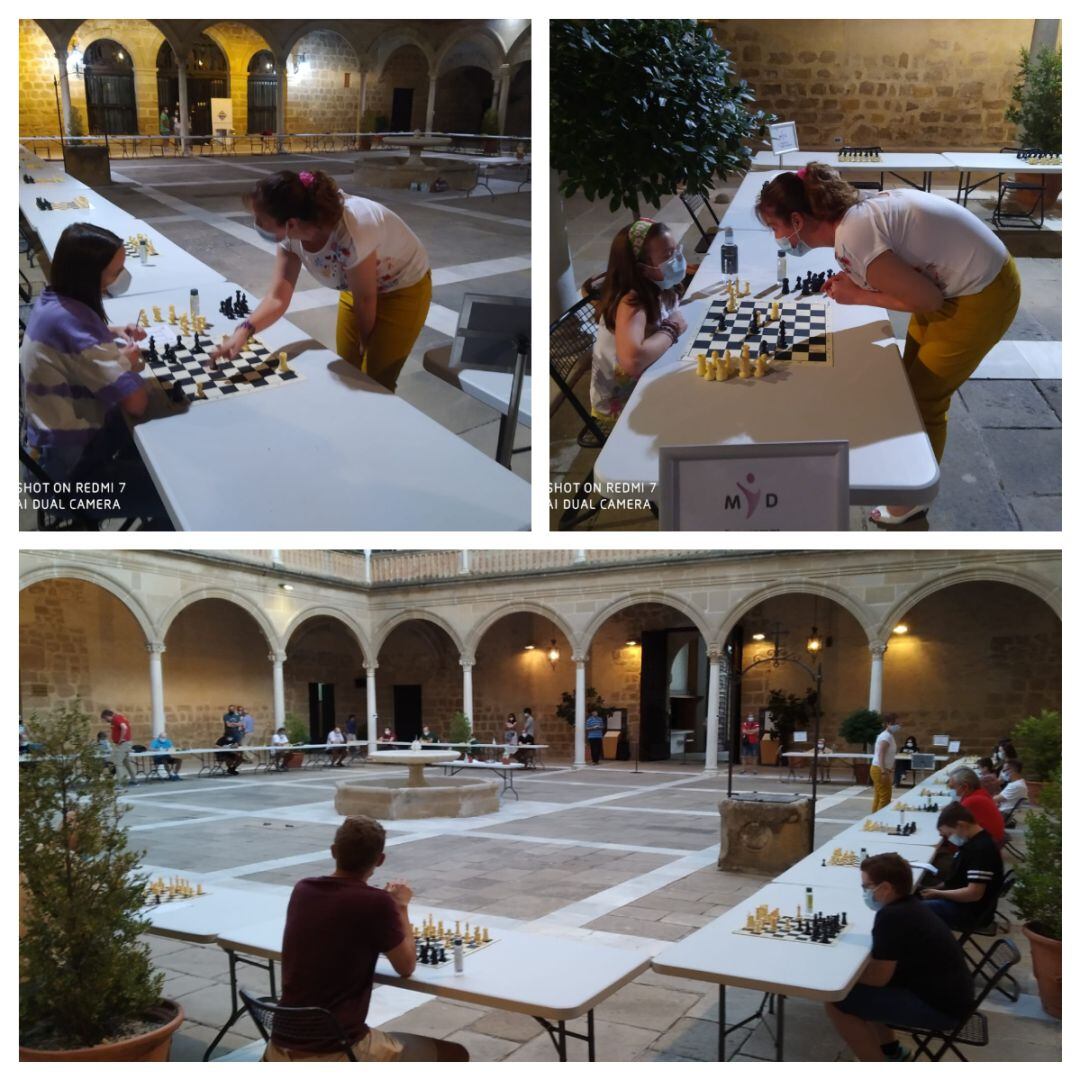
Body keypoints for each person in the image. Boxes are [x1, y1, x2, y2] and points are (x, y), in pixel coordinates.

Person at [756, 163, 1021, 526]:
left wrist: (858, 296)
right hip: (955, 281)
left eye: (775, 227)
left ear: (798, 220)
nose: (776, 237)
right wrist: (862, 283)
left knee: (926, 399)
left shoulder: (854, 238)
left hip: (982, 293)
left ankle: (909, 503)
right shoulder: (853, 219)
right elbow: (908, 279)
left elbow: (928, 301)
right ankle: (903, 472)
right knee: (908, 387)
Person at [267, 816, 468, 1062]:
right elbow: (406, 967)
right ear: (380, 860)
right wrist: (401, 907)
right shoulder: (376, 902)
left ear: (333, 852)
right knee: (456, 1054)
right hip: (336, 1049)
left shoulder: (303, 889)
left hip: (279, 1045)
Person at [213, 170, 431, 393]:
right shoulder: (291, 237)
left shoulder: (350, 231)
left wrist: (368, 344)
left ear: (291, 223)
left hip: (402, 286)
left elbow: (365, 300)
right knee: (349, 371)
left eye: (260, 219)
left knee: (374, 381)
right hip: (358, 287)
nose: (256, 224)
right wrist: (243, 331)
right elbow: (277, 298)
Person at [19, 223, 168, 524]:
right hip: (69, 482)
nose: (119, 279)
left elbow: (75, 341)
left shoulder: (53, 301)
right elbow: (136, 402)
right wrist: (124, 363)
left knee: (147, 439)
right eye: (115, 272)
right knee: (169, 494)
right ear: (89, 275)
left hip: (47, 454)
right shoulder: (74, 326)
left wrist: (111, 332)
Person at [825, 853, 974, 1061]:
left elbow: (879, 978)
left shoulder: (892, 917)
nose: (864, 892)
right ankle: (891, 1050)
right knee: (865, 992)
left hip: (942, 1008)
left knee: (837, 1001)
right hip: (955, 997)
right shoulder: (911, 905)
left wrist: (838, 974)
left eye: (866, 886)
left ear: (885, 888)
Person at [591, 218, 687, 433]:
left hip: (650, 379)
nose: (677, 259)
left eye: (676, 250)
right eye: (668, 256)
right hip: (625, 407)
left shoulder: (658, 284)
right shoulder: (631, 301)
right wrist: (672, 329)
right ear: (642, 269)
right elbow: (633, 360)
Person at [919, 803, 1004, 931]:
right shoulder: (973, 842)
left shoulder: (981, 850)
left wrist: (939, 893)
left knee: (910, 911)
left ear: (961, 825)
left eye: (949, 834)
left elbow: (974, 893)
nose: (948, 839)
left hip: (970, 911)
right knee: (915, 895)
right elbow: (956, 879)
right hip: (964, 904)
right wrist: (933, 889)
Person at [946, 766, 1005, 846]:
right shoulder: (979, 793)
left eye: (953, 787)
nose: (952, 791)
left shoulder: (972, 801)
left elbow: (955, 829)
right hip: (990, 843)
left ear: (965, 787)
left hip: (984, 848)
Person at [869, 714, 901, 812]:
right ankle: (879, 819)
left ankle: (873, 819)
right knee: (885, 797)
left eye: (897, 723)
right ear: (888, 724)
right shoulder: (886, 736)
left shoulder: (889, 736)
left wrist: (890, 769)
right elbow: (881, 754)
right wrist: (883, 771)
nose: (897, 726)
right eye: (894, 723)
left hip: (881, 768)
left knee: (879, 796)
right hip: (880, 769)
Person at [102, 708, 138, 786]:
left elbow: (124, 727)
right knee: (127, 762)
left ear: (108, 716)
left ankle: (120, 783)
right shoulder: (119, 717)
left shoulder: (116, 719)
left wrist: (121, 739)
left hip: (123, 744)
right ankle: (134, 780)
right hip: (126, 743)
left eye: (105, 718)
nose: (106, 720)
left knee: (117, 763)